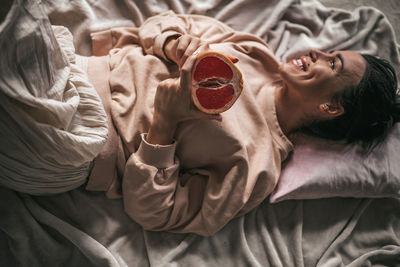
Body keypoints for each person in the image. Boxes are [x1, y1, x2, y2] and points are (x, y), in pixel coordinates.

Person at [85, 11, 399, 236]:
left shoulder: (259, 168)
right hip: (86, 68)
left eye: (332, 63)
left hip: (88, 137)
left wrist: (164, 124)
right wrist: (173, 42)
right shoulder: (256, 52)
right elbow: (166, 21)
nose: (316, 51)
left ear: (330, 107)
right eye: (329, 52)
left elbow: (155, 213)